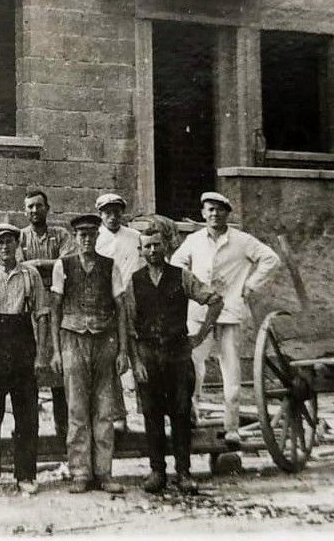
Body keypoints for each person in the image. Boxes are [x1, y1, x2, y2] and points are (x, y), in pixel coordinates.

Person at [170, 192, 281, 434]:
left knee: (231, 372)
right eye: (209, 209)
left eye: (219, 209)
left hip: (229, 311)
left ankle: (231, 429)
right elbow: (176, 264)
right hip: (200, 314)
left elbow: (271, 259)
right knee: (192, 367)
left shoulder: (242, 241)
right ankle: (191, 418)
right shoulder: (194, 240)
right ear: (202, 213)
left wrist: (249, 286)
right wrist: (191, 287)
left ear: (227, 213)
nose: (214, 214)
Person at [125, 225, 222, 494]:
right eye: (147, 246)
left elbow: (215, 300)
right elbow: (129, 327)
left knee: (180, 414)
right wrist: (137, 363)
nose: (153, 250)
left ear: (165, 246)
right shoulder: (133, 281)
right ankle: (157, 472)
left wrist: (200, 335)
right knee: (151, 414)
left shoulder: (182, 277)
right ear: (140, 250)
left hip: (178, 355)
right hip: (148, 356)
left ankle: (184, 472)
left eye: (157, 245)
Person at [50, 213, 131, 494]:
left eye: (91, 234)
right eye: (81, 235)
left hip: (104, 340)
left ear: (97, 236)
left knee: (104, 410)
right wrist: (57, 351)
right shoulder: (64, 265)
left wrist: (122, 349)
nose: (86, 239)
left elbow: (121, 308)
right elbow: (55, 309)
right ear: (75, 238)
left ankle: (104, 472)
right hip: (72, 339)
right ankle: (80, 472)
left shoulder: (110, 266)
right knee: (76, 409)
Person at [0, 223, 50, 495]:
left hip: (22, 345)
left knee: (26, 415)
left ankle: (25, 474)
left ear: (18, 245)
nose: (5, 247)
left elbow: (40, 315)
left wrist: (40, 355)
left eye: (10, 241)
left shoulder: (31, 275)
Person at [19, 190, 72, 444]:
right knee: (30, 370)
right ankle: (31, 435)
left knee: (58, 369)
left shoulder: (60, 234)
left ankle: (63, 432)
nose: (34, 211)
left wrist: (38, 263)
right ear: (24, 211)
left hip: (57, 303)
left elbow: (68, 262)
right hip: (29, 307)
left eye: (38, 206)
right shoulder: (19, 237)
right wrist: (48, 264)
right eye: (29, 207)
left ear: (47, 208)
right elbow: (18, 267)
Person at [94, 193, 142, 435]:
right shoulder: (96, 238)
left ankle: (147, 411)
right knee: (114, 357)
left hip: (135, 300)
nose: (112, 217)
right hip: (108, 304)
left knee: (140, 354)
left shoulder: (135, 238)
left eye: (116, 212)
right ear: (101, 214)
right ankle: (118, 415)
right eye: (107, 212)